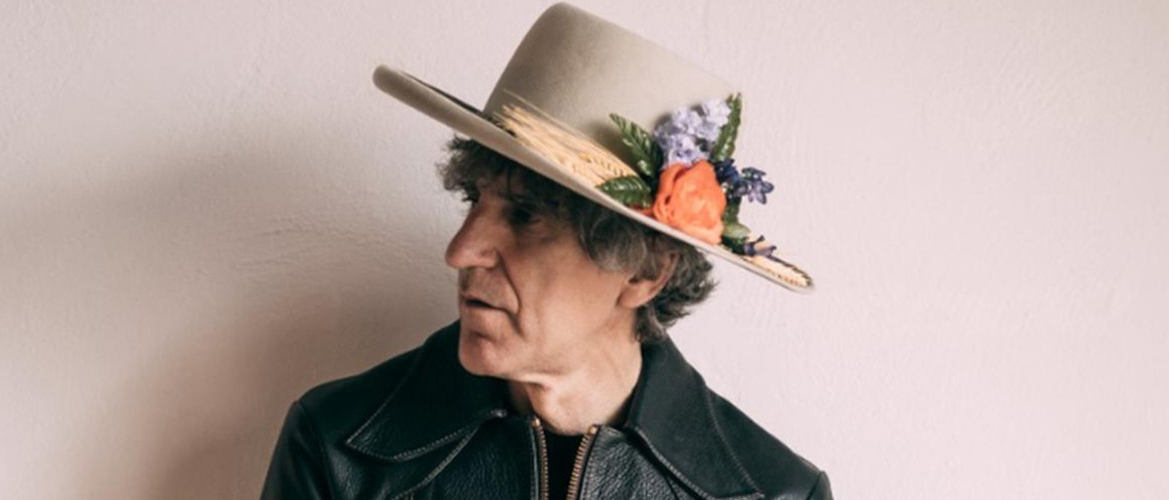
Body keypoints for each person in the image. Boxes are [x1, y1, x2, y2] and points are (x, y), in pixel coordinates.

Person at [261, 3, 831, 499]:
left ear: (646, 271)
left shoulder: (777, 493)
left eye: (525, 216)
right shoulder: (337, 448)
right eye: (474, 201)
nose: (460, 251)